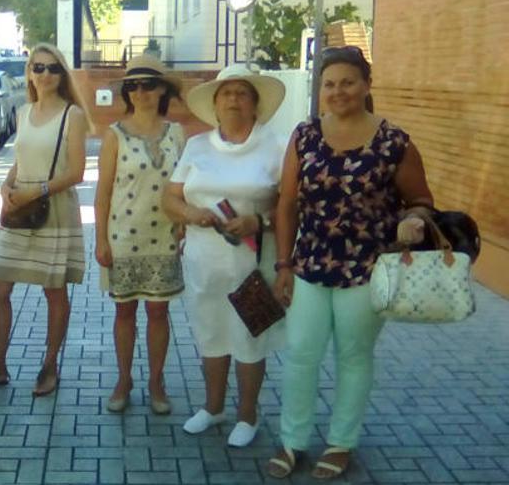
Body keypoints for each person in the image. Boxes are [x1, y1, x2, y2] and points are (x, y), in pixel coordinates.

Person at [266, 46, 433, 479]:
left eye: (347, 82)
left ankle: (341, 442)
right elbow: (286, 205)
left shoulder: (394, 142)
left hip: (368, 268)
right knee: (302, 352)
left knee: (354, 356)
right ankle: (292, 441)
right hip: (310, 264)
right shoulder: (305, 136)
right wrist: (283, 264)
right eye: (329, 84)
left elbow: (420, 201)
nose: (337, 91)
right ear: (321, 90)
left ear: (366, 85)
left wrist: (413, 221)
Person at [162, 64, 287, 446]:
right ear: (215, 105)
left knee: (249, 337)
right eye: (226, 93)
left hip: (253, 262)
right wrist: (189, 213)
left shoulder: (277, 146)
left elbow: (292, 206)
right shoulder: (197, 146)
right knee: (211, 334)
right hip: (204, 260)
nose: (233, 99)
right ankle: (213, 408)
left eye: (242, 93)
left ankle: (247, 415)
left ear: (255, 104)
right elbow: (169, 196)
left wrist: (259, 220)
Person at [0, 43, 89, 396]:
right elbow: (21, 159)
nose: (45, 74)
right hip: (20, 208)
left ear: (62, 74)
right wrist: (6, 185)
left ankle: (50, 365)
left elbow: (77, 172)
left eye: (53, 68)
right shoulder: (23, 112)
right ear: (29, 72)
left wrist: (38, 191)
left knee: (53, 289)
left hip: (53, 207)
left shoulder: (72, 116)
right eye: (38, 67)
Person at [94, 55, 185, 415]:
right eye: (132, 85)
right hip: (123, 236)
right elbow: (102, 192)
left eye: (148, 84)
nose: (140, 91)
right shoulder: (114, 135)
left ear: (162, 89)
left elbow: (185, 185)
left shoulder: (176, 133)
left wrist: (186, 221)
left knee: (159, 312)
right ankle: (124, 378)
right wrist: (100, 240)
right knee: (124, 312)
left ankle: (157, 380)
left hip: (164, 235)